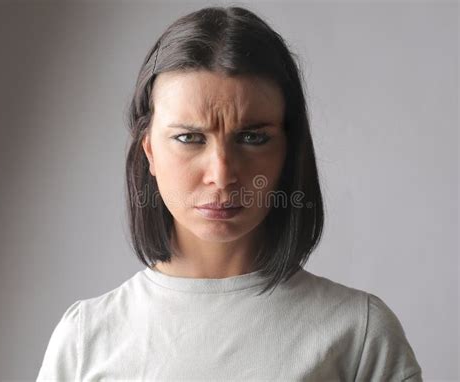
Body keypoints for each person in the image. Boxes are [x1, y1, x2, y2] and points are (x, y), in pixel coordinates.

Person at [37, 6, 423, 381]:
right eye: (189, 138)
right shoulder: (85, 339)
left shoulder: (360, 336)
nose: (221, 175)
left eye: (252, 138)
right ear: (150, 150)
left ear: (288, 151)